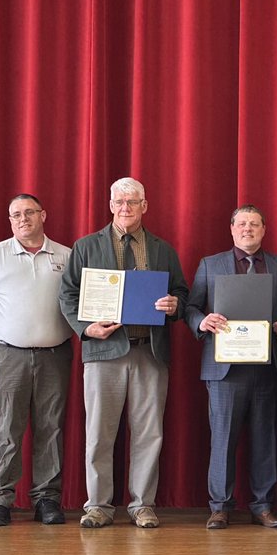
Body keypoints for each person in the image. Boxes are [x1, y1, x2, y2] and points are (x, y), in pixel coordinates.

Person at [58, 178, 188, 529]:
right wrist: (86, 328)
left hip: (150, 352)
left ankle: (142, 504)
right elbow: (67, 296)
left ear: (145, 206)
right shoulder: (85, 246)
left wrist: (175, 305)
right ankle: (98, 505)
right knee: (99, 432)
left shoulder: (163, 249)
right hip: (104, 352)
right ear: (110, 205)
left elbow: (180, 293)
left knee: (150, 433)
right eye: (119, 202)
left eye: (132, 202)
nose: (125, 208)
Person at [185, 204, 277, 530]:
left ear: (264, 230)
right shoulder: (211, 264)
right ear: (232, 229)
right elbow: (191, 307)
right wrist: (202, 320)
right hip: (225, 369)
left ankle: (262, 505)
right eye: (242, 224)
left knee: (265, 439)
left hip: (267, 367)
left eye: (254, 224)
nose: (247, 229)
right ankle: (220, 506)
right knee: (222, 439)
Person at [0, 194, 74, 526]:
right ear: (10, 221)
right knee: (7, 429)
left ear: (44, 214)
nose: (23, 219)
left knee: (50, 429)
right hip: (7, 356)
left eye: (29, 213)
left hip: (55, 355)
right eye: (15, 215)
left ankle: (47, 499)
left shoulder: (67, 256)